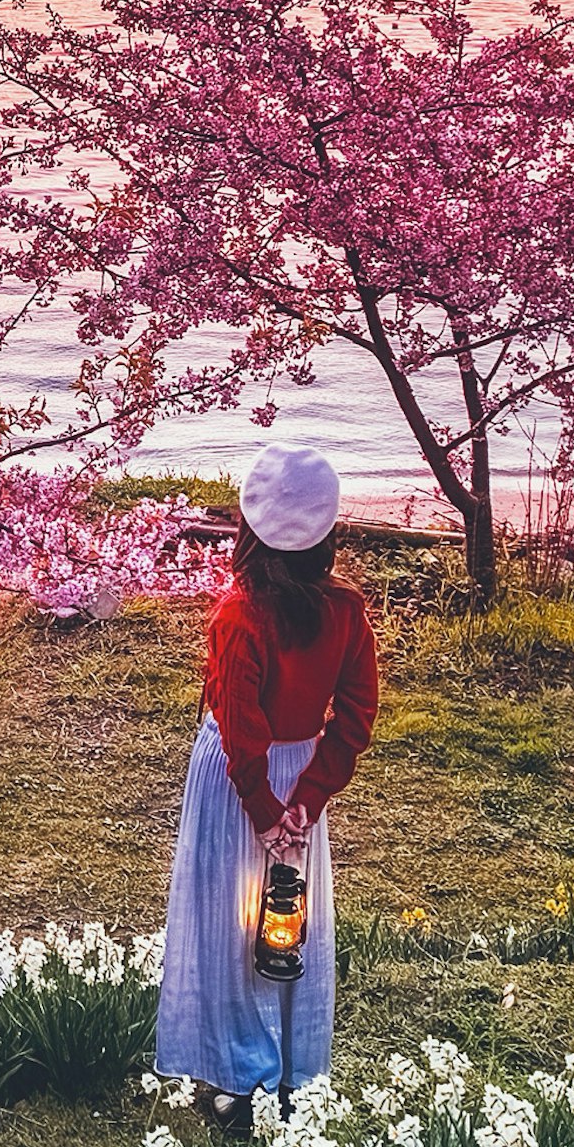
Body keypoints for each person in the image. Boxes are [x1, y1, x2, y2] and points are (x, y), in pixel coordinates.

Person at [151, 439, 380, 1110]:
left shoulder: (238, 613)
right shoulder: (346, 611)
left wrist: (264, 808)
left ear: (250, 527)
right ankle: (287, 1068)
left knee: (230, 916)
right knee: (286, 915)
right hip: (302, 768)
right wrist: (306, 801)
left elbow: (239, 723)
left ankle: (232, 1077)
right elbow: (356, 713)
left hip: (238, 782)